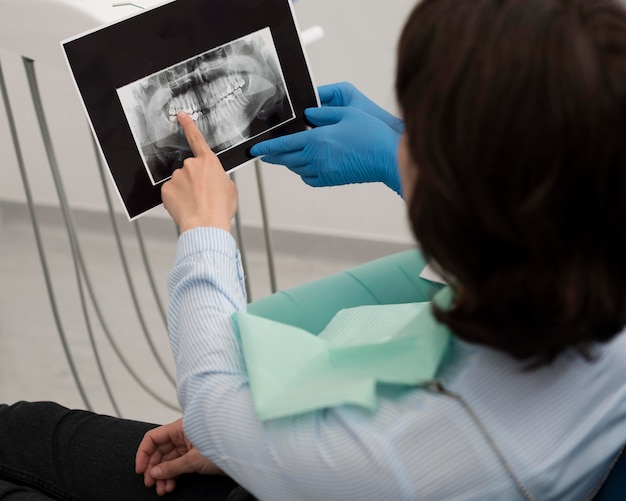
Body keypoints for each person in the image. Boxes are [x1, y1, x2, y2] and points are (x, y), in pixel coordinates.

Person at [2, 0, 626, 499]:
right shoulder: (594, 243)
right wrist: (399, 147)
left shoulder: (411, 458)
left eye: (423, 124)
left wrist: (205, 231)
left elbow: (215, 404)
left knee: (23, 435)